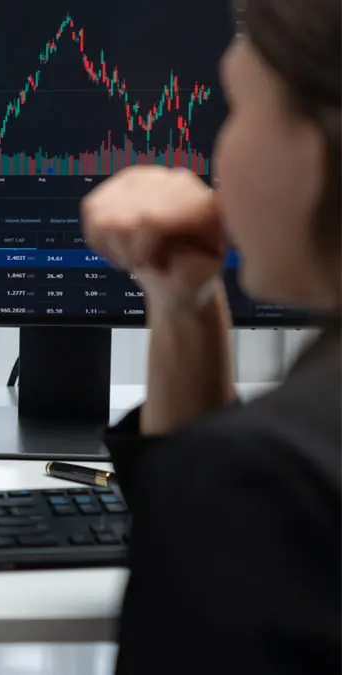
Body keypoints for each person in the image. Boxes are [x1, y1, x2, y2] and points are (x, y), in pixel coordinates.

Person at [80, 0, 341, 672]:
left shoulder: (259, 480)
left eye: (235, 107)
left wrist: (208, 488)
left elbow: (227, 513)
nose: (215, 153)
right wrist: (182, 302)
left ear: (312, 151)